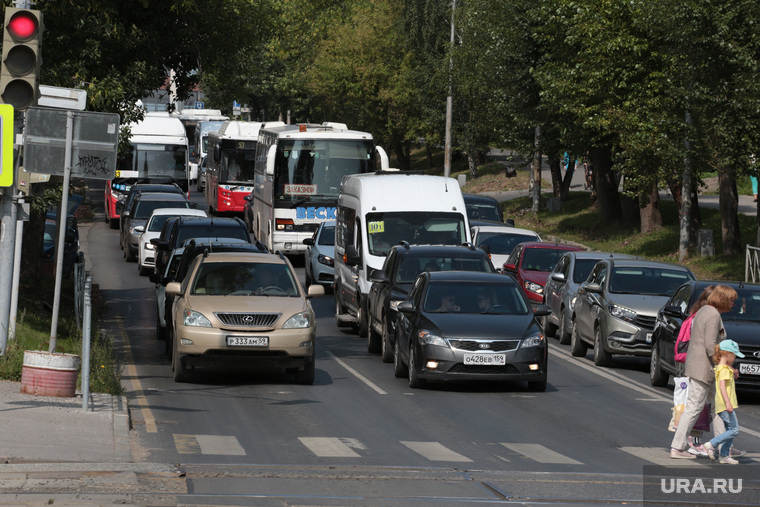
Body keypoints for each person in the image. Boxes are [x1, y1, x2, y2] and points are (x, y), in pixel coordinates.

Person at [670, 284, 738, 459]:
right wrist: (726, 365)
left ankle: (723, 446)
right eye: (731, 300)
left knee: (717, 408)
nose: (733, 303)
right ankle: (677, 447)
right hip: (704, 368)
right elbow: (710, 345)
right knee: (694, 408)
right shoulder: (713, 315)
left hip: (700, 366)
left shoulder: (704, 310)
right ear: (722, 298)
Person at [703, 340, 744, 464]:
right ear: (727, 354)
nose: (735, 358)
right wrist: (728, 403)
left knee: (729, 430)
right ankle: (711, 444)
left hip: (723, 405)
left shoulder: (722, 368)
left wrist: (733, 374)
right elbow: (722, 386)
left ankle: (724, 455)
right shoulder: (724, 369)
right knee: (734, 430)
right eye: (734, 355)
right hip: (725, 404)